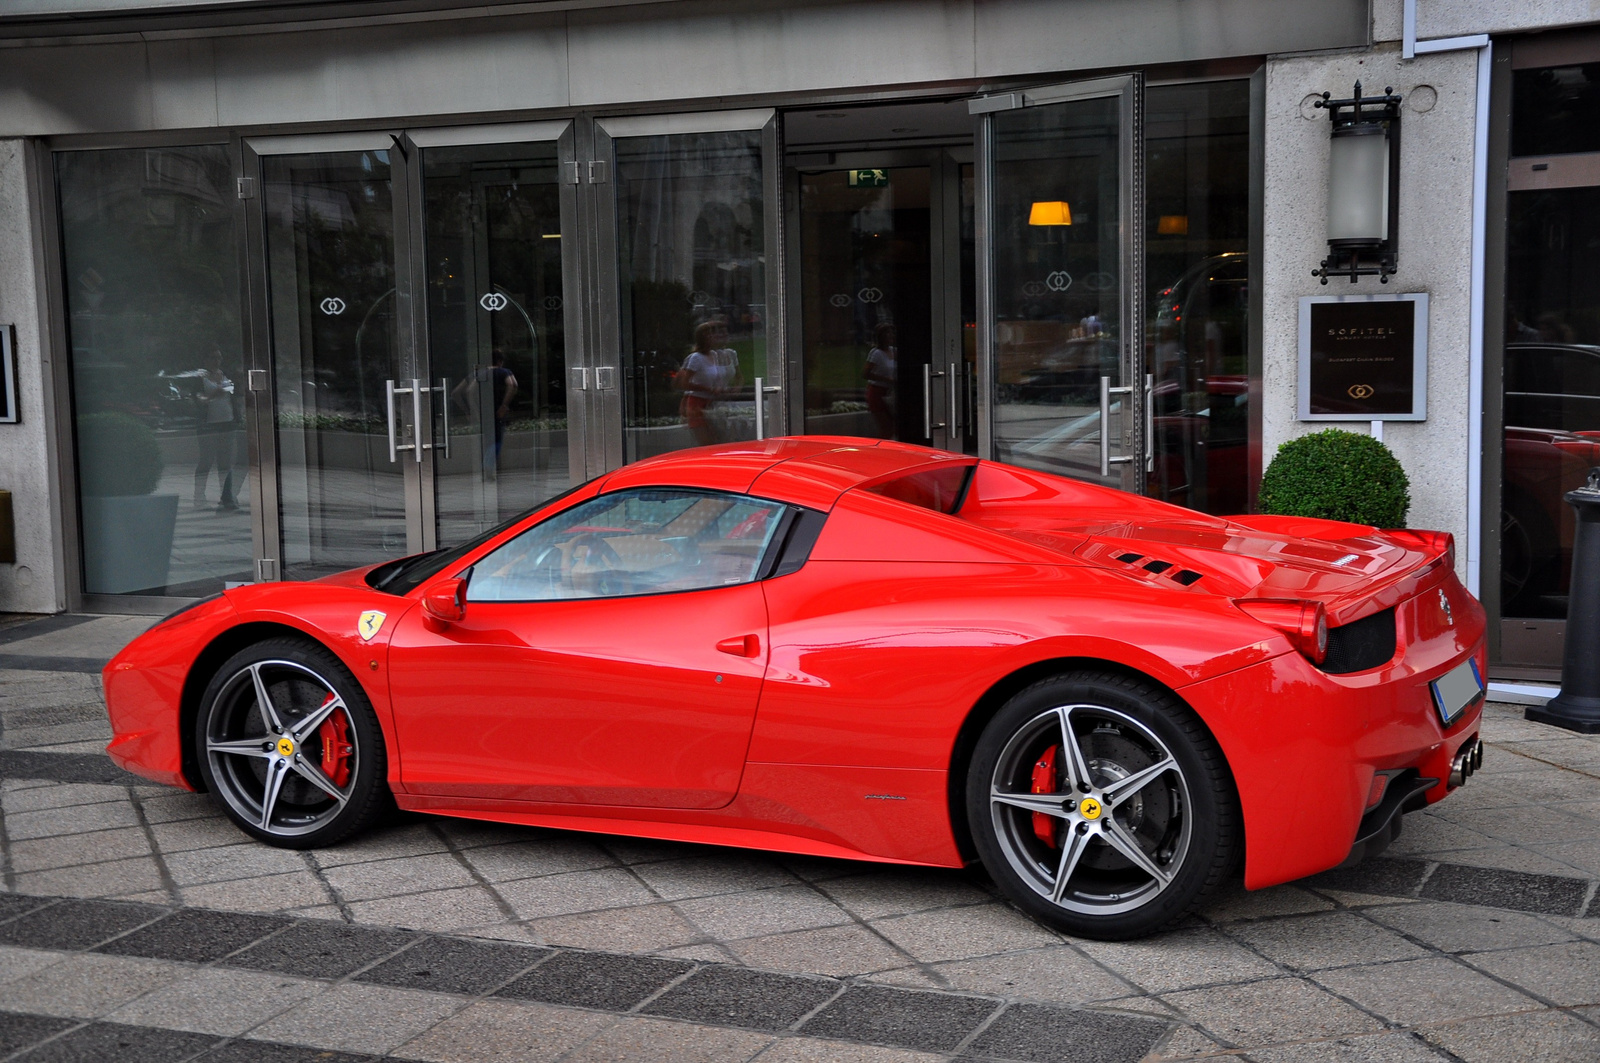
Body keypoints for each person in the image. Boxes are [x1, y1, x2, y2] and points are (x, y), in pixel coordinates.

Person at [675, 320, 741, 445]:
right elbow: (684, 383)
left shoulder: (715, 355)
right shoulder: (696, 358)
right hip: (697, 404)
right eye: (711, 335)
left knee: (720, 440)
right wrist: (708, 389)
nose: (714, 338)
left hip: (712, 403)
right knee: (706, 443)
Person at [193, 348, 238, 511]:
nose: (216, 361)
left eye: (219, 358)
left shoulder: (226, 375)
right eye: (212, 358)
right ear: (205, 360)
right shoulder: (200, 377)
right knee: (206, 460)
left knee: (225, 462)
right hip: (208, 424)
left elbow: (233, 395)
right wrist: (213, 395)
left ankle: (227, 498)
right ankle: (199, 496)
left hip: (227, 422)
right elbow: (199, 400)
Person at [864, 323, 897, 438]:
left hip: (889, 393)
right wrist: (886, 379)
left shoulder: (894, 351)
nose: (890, 336)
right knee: (885, 426)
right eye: (887, 334)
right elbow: (866, 374)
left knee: (893, 425)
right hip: (877, 393)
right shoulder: (876, 353)